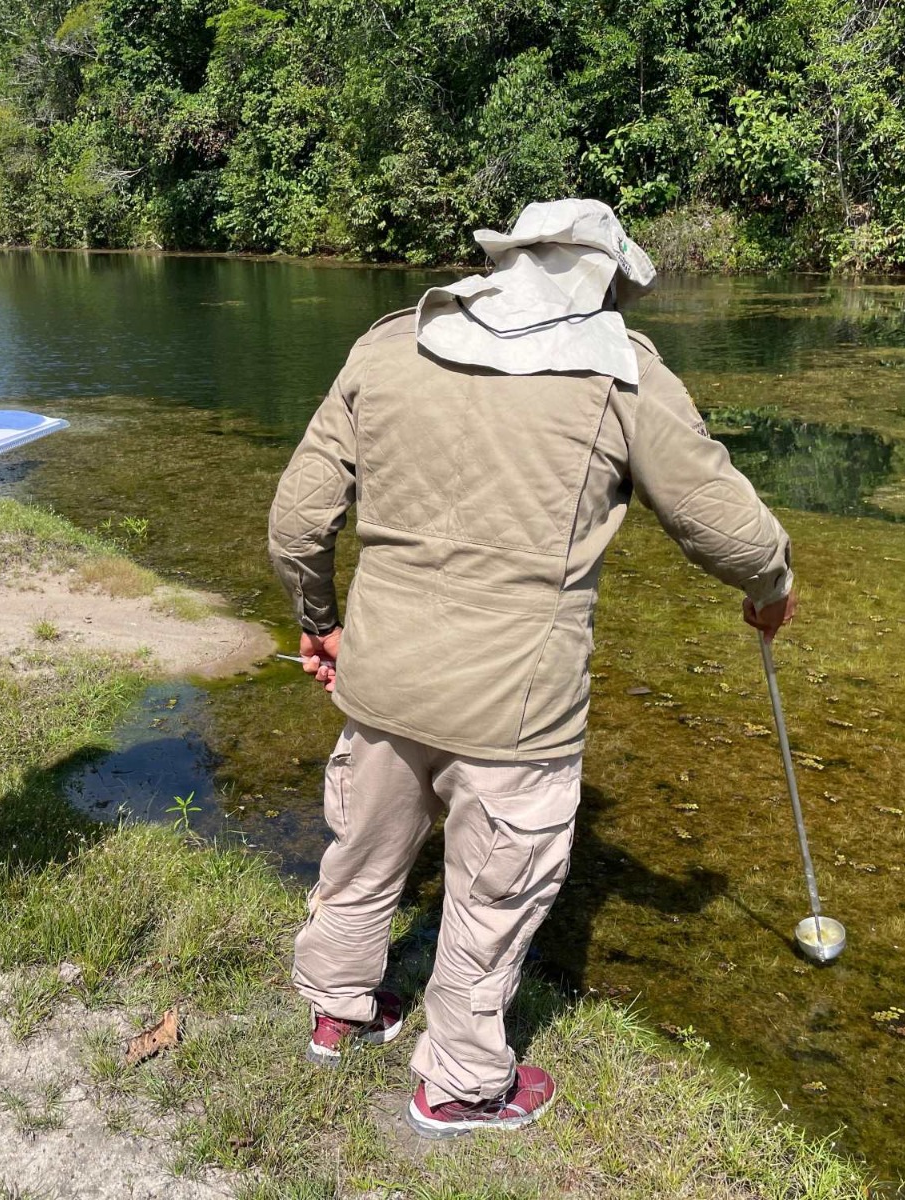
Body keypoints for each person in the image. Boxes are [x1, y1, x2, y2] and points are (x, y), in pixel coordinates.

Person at [267, 199, 796, 1139]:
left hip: (383, 679)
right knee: (491, 892)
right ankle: (460, 1084)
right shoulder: (622, 374)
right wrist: (771, 587)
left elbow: (298, 521)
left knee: (364, 850)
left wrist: (320, 624)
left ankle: (335, 1008)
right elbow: (723, 522)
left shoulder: (389, 346)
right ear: (601, 280)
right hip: (517, 710)